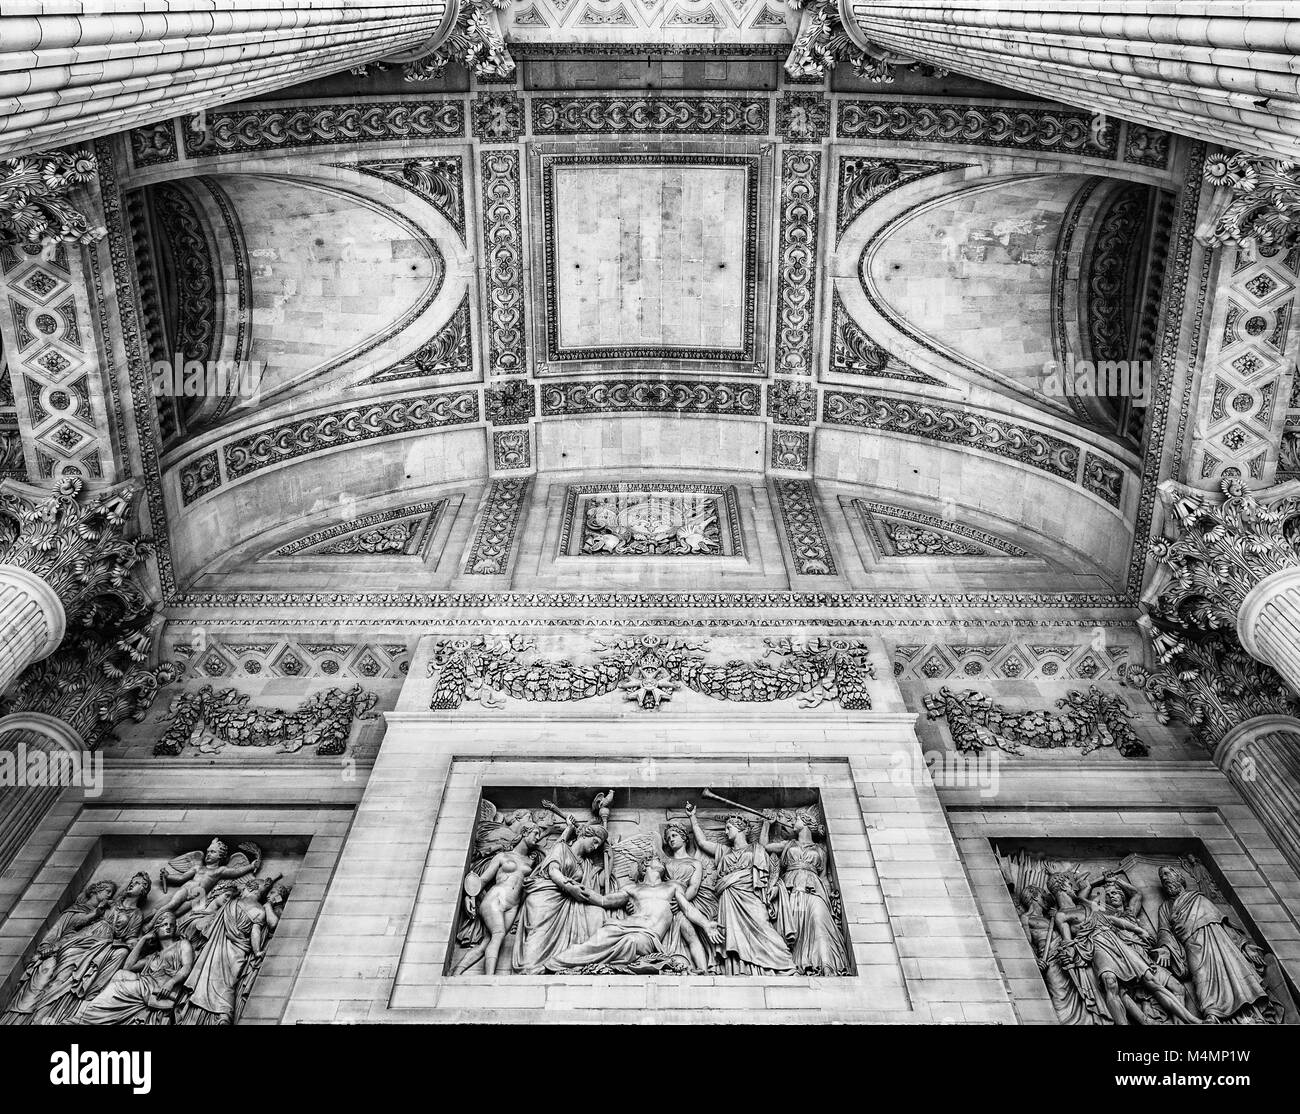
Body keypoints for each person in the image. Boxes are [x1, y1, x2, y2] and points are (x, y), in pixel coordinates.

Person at [542, 855, 722, 973]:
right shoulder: (632, 888)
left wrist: (706, 924)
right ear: (645, 867)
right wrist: (574, 888)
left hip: (647, 935)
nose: (660, 860)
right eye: (655, 859)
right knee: (597, 939)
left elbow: (688, 909)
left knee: (631, 942)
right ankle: (558, 963)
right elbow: (604, 901)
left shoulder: (672, 887)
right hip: (623, 926)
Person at [28, 871, 151, 1024]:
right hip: (83, 939)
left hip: (105, 947)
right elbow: (76, 924)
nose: (132, 884)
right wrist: (96, 912)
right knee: (62, 976)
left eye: (138, 883)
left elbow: (131, 939)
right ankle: (37, 1018)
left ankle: (65, 1016)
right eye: (132, 881)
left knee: (120, 953)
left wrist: (143, 943)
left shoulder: (136, 914)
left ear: (143, 890)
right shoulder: (109, 903)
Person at [685, 804, 794, 975]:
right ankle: (740, 970)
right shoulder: (724, 851)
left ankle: (784, 961)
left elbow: (772, 866)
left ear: (740, 828)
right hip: (729, 897)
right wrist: (692, 818)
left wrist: (767, 824)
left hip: (751, 896)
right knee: (733, 935)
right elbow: (702, 842)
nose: (726, 832)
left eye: (728, 828)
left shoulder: (756, 849)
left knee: (763, 927)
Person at [1153, 865, 1269, 1021]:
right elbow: (1164, 930)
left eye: (1167, 874)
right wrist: (1165, 948)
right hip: (1193, 946)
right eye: (1162, 877)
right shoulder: (1166, 907)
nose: (1165, 878)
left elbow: (1222, 923)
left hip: (1218, 940)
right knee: (1201, 978)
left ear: (1178, 876)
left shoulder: (1199, 898)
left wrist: (1244, 945)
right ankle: (1212, 1014)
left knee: (1233, 973)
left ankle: (1249, 1015)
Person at [1, 881, 117, 1024]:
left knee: (57, 983)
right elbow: (62, 928)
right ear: (96, 890)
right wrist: (46, 948)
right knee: (39, 982)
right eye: (108, 890)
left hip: (74, 954)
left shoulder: (101, 919)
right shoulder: (76, 910)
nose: (110, 895)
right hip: (55, 951)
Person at [511, 818, 607, 973]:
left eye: (598, 845)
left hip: (568, 903)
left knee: (597, 915)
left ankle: (561, 963)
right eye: (595, 841)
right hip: (546, 894)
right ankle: (529, 969)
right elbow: (553, 870)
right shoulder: (561, 848)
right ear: (584, 835)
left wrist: (609, 859)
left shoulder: (586, 864)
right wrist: (569, 887)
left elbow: (592, 887)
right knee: (537, 936)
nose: (595, 847)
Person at [764, 809, 849, 975]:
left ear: (806, 822)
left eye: (796, 819)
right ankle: (797, 966)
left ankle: (827, 966)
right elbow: (764, 846)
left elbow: (824, 876)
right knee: (795, 928)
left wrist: (830, 903)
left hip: (814, 890)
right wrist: (767, 825)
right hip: (791, 890)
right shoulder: (788, 844)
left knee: (820, 923)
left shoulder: (820, 850)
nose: (792, 822)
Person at [454, 826, 543, 974]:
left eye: (539, 835)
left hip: (513, 906)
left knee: (487, 943)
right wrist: (470, 896)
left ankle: (457, 972)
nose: (537, 837)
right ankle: (490, 977)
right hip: (496, 898)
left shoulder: (530, 862)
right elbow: (482, 880)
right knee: (499, 933)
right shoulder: (503, 856)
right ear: (525, 833)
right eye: (535, 833)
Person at [80, 911, 195, 1024]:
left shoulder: (182, 944)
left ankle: (86, 1016)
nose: (168, 927)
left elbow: (187, 967)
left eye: (171, 925)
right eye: (164, 924)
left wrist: (171, 983)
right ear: (156, 930)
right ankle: (91, 1012)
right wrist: (143, 940)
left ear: (175, 928)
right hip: (146, 985)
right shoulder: (153, 956)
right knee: (120, 974)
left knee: (116, 988)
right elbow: (128, 967)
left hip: (160, 987)